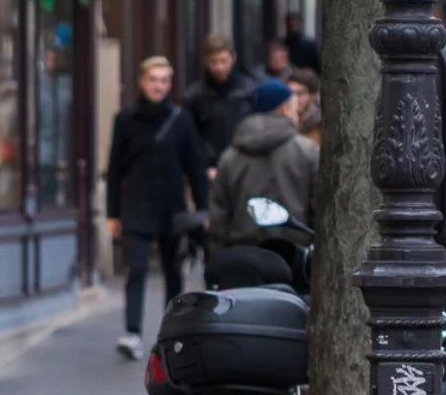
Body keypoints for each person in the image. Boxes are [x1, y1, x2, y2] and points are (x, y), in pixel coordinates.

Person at [106, 56, 209, 361]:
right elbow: (114, 169)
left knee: (172, 272)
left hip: (172, 208)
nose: (158, 86)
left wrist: (203, 210)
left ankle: (171, 332)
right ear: (141, 81)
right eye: (154, 80)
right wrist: (112, 213)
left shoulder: (181, 120)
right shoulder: (125, 119)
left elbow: (195, 167)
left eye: (164, 80)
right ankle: (133, 332)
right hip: (135, 206)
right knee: (136, 268)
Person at [208, 78, 319, 251]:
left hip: (243, 254)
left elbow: (219, 213)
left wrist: (217, 255)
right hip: (295, 253)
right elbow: (318, 208)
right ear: (284, 107)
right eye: (294, 106)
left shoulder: (231, 156)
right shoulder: (307, 151)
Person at [183, 34, 258, 177]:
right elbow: (191, 138)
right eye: (214, 62)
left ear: (233, 58)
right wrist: (203, 166)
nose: (219, 67)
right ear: (206, 61)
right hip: (210, 169)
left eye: (223, 61)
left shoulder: (249, 91)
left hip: (244, 166)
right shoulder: (195, 95)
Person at [287, 68, 321, 145]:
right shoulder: (286, 118)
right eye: (290, 93)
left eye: (299, 93)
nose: (293, 99)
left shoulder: (322, 125)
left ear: (312, 95)